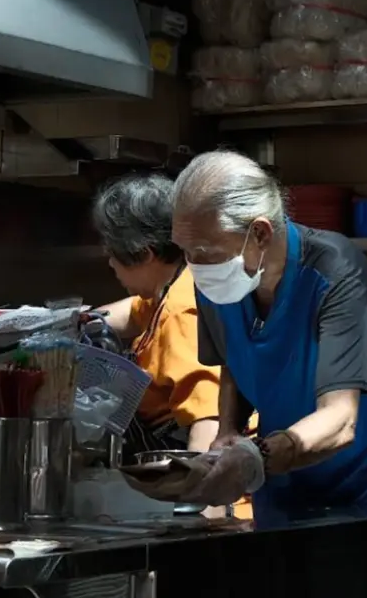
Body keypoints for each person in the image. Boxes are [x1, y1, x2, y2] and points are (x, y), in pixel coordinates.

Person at [165, 150, 367, 516]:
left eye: (202, 251)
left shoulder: (333, 270)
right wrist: (229, 432)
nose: (193, 263)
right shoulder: (216, 274)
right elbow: (234, 361)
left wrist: (254, 457)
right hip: (282, 484)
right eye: (185, 251)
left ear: (259, 233)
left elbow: (340, 419)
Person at [90, 173, 253, 519]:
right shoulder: (172, 283)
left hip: (220, 493)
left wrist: (200, 517)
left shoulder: (183, 310)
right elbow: (131, 315)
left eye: (112, 254)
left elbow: (209, 419)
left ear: (145, 254)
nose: (109, 264)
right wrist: (74, 321)